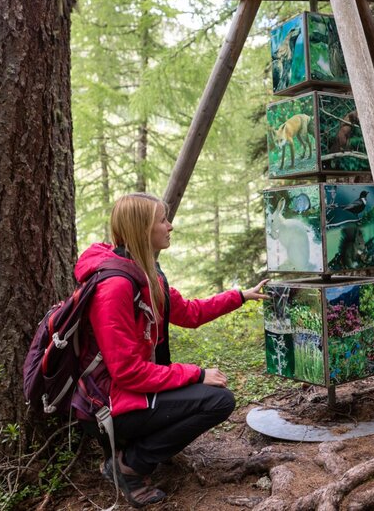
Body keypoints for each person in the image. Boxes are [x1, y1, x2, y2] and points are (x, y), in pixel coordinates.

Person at [73, 192, 268, 507]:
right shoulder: (116, 287)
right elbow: (127, 371)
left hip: (126, 394)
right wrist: (197, 374)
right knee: (218, 401)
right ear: (142, 229)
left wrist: (240, 296)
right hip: (106, 405)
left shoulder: (148, 275)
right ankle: (128, 466)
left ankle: (133, 454)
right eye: (162, 220)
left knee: (213, 397)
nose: (170, 226)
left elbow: (189, 313)